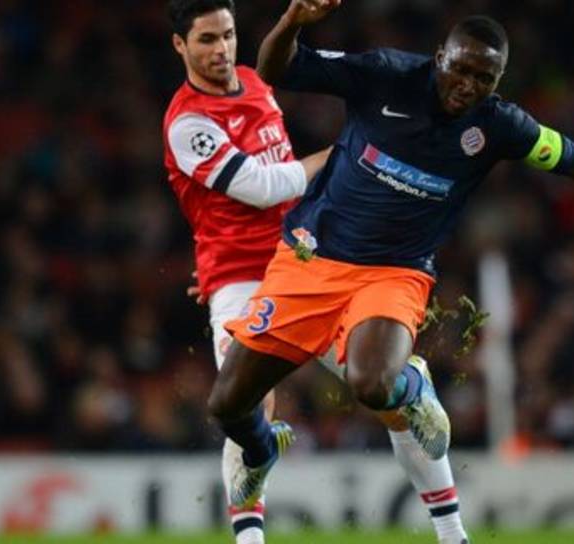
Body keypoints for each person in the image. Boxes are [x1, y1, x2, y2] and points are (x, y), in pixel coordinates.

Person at [208, 0, 574, 539]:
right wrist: (292, 22)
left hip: (394, 273)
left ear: (498, 80)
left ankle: (413, 387)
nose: (468, 85)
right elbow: (276, 68)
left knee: (372, 384)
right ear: (441, 55)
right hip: (308, 259)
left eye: (485, 78)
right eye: (461, 69)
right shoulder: (386, 75)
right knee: (227, 405)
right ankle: (261, 451)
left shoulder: (501, 125)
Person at [164, 2, 470, 544]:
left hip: (309, 258)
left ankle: (453, 535)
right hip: (239, 277)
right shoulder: (187, 122)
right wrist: (344, 155)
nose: (222, 50)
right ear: (180, 46)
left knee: (385, 397)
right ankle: (254, 516)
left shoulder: (255, 83)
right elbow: (262, 187)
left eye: (228, 35)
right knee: (245, 406)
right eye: (207, 39)